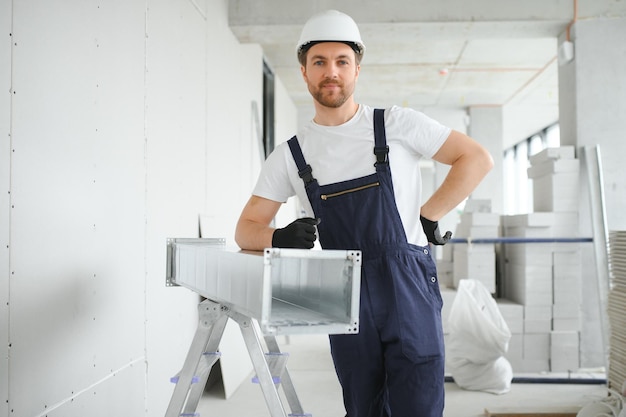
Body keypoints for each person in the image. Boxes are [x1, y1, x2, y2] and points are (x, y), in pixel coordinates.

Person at [235, 9, 494, 417]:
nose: (331, 72)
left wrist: (429, 214)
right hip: (344, 291)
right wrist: (278, 237)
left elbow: (475, 158)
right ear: (304, 71)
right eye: (319, 62)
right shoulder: (290, 155)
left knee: (419, 402)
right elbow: (245, 230)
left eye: (342, 61)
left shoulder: (396, 124)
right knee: (363, 405)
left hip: (406, 285)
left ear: (357, 70)